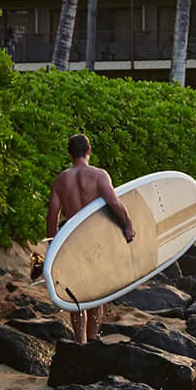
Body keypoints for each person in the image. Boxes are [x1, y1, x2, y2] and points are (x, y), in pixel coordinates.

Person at [42, 132, 134, 342]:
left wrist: (52, 247)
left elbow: (52, 216)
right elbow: (114, 203)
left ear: (69, 153)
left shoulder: (60, 181)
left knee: (76, 295)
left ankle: (80, 341)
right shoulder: (99, 175)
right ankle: (92, 339)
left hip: (72, 243)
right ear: (89, 151)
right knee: (96, 292)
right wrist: (128, 225)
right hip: (96, 243)